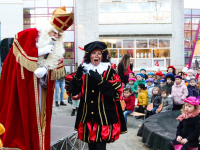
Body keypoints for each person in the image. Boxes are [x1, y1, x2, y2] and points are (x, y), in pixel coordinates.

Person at [0, 6, 73, 150]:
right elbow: (17, 61)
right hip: (25, 87)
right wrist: (39, 52)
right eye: (55, 32)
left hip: (42, 88)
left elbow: (55, 67)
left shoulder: (57, 46)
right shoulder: (29, 34)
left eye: (59, 34)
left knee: (41, 118)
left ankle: (39, 144)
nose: (56, 36)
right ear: (48, 27)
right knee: (24, 117)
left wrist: (45, 70)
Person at [65, 41, 127, 150]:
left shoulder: (110, 72)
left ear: (103, 56)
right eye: (93, 53)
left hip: (104, 116)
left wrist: (101, 81)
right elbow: (73, 92)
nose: (96, 56)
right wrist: (78, 77)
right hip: (87, 115)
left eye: (99, 53)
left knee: (100, 146)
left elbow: (116, 94)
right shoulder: (83, 71)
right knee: (91, 146)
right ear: (89, 55)